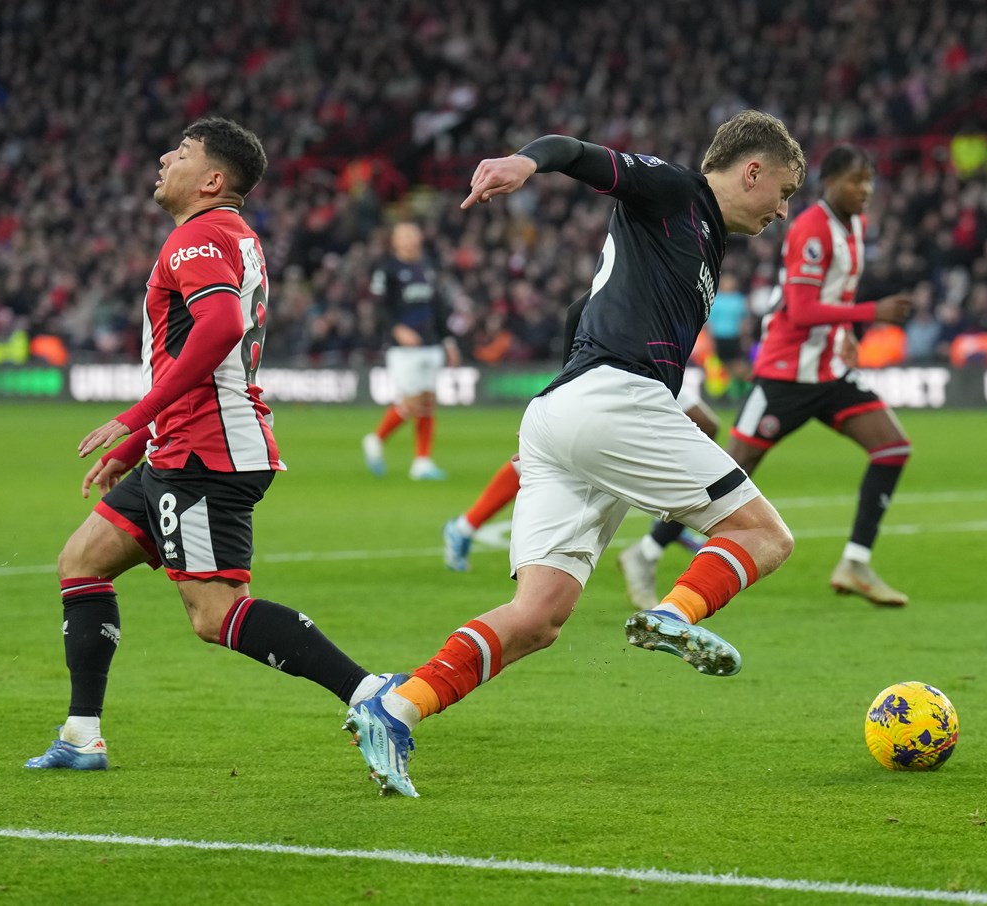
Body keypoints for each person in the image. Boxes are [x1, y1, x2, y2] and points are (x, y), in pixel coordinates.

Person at [345, 110, 806, 796]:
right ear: (753, 170)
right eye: (786, 192)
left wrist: (580, 396)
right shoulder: (679, 192)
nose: (783, 210)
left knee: (536, 618)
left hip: (566, 413)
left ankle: (395, 706)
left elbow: (579, 314)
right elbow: (580, 154)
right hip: (614, 402)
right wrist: (526, 162)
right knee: (764, 535)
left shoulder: (702, 241)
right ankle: (671, 614)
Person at [26, 118, 395, 772]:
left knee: (214, 612)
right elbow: (191, 354)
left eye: (183, 152)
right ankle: (82, 735)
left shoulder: (198, 237)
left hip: (205, 455)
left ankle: (372, 695)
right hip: (183, 446)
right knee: (81, 561)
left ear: (213, 180)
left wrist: (135, 416)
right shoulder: (228, 236)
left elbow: (220, 326)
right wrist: (141, 437)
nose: (166, 157)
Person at [726, 144, 914, 606]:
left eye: (868, 180)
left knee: (892, 448)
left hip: (828, 372)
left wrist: (847, 329)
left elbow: (833, 293)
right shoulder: (811, 227)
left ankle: (855, 562)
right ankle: (649, 550)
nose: (864, 189)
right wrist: (874, 312)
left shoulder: (853, 226)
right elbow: (804, 307)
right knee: (726, 473)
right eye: (855, 180)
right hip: (786, 374)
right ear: (829, 182)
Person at [443, 295, 715, 584]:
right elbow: (578, 309)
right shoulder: (646, 261)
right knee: (560, 455)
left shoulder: (690, 266)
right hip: (621, 367)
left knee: (702, 425)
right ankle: (465, 526)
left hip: (656, 367)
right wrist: (562, 391)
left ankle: (668, 520)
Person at [361, 221, 461, 480]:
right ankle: (376, 439)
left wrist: (448, 341)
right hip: (403, 349)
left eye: (412, 234)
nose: (409, 240)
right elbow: (379, 307)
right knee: (412, 400)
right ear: (394, 241)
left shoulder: (428, 266)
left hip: (430, 343)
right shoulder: (387, 269)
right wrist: (397, 330)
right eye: (403, 235)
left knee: (428, 401)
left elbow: (439, 308)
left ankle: (422, 462)